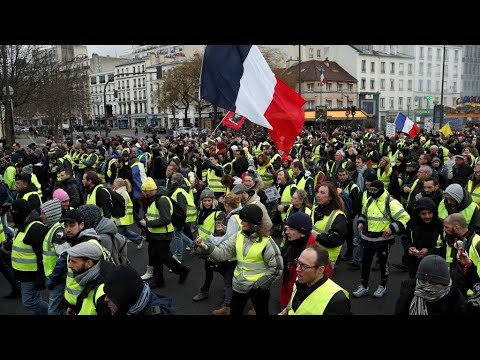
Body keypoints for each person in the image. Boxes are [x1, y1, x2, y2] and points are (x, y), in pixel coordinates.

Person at [195, 204, 283, 316]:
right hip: (239, 285)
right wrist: (205, 246)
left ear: (252, 222)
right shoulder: (238, 236)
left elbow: (277, 268)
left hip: (258, 290)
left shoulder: (267, 242)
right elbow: (222, 253)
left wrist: (259, 286)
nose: (241, 223)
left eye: (244, 220)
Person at [354, 180, 410, 299]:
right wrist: (360, 222)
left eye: (375, 190)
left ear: (381, 190)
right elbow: (363, 214)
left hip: (383, 239)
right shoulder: (369, 201)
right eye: (370, 190)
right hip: (368, 238)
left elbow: (405, 217)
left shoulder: (391, 202)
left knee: (383, 264)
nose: (372, 192)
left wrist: (391, 228)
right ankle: (364, 286)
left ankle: (382, 286)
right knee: (365, 263)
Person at [280, 212, 333, 309]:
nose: (287, 232)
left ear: (302, 233)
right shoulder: (291, 243)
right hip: (288, 296)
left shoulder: (316, 257)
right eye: (287, 228)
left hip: (300, 303)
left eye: (292, 229)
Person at [279, 244, 351, 315]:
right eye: (298, 262)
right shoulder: (301, 279)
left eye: (304, 266)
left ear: (320, 270)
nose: (297, 269)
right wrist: (286, 311)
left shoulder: (336, 301)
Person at [10, 199, 48, 315]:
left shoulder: (34, 228)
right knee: (35, 299)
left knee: (29, 301)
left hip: (31, 273)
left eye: (14, 212)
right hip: (24, 272)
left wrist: (40, 277)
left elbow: (42, 255)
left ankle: (55, 312)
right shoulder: (23, 223)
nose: (12, 215)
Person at [395, 255, 467, 315]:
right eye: (423, 282)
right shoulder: (407, 296)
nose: (426, 287)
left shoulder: (457, 304)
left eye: (433, 283)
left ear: (445, 283)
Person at [66, 241, 116, 315]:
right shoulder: (89, 278)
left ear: (88, 263)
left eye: (74, 262)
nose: (69, 265)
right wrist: (74, 307)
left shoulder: (103, 293)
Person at [104, 265, 174, 315]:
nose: (105, 299)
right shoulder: (128, 306)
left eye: (111, 295)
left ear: (125, 296)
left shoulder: (156, 312)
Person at [404, 197, 444, 279]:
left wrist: (429, 251)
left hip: (435, 265)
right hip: (415, 265)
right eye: (424, 214)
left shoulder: (441, 225)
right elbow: (405, 238)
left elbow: (446, 248)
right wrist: (409, 248)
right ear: (418, 214)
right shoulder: (412, 224)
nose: (427, 216)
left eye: (429, 213)